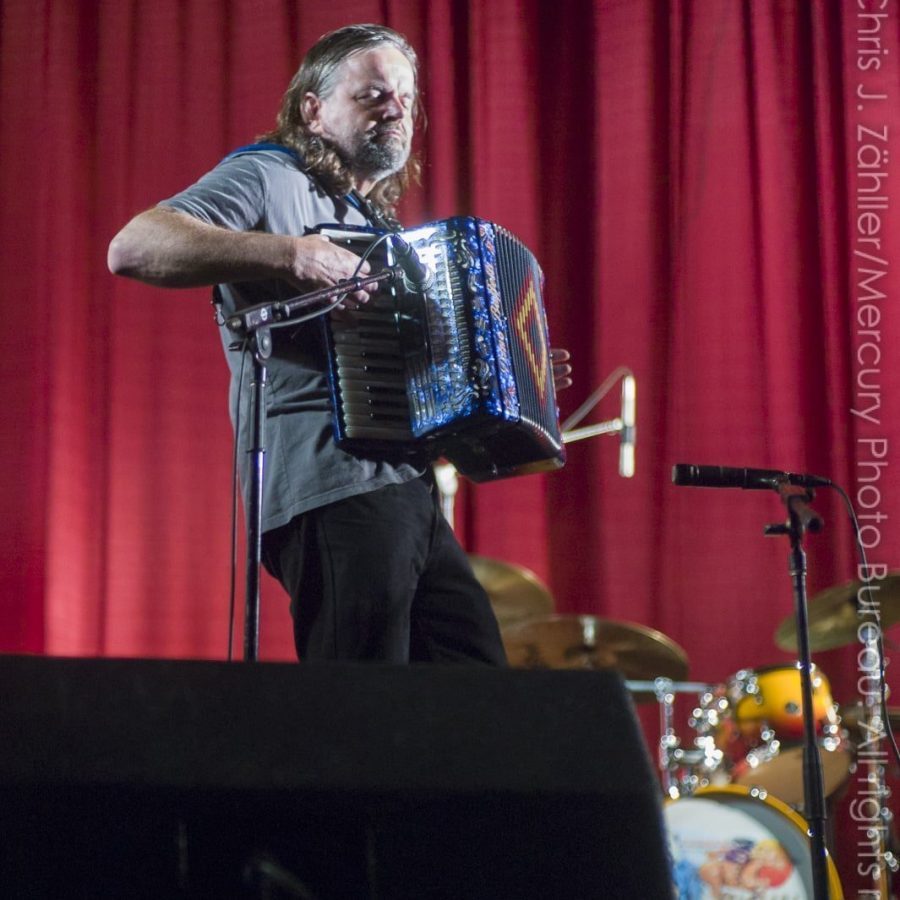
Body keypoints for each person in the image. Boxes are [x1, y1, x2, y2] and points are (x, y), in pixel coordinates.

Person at [108, 23, 570, 664]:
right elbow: (134, 246)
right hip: (331, 485)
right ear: (312, 109)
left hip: (405, 489)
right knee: (359, 713)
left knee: (473, 693)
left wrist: (510, 369)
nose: (396, 109)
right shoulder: (269, 175)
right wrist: (292, 252)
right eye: (373, 93)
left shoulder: (372, 220)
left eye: (405, 99)